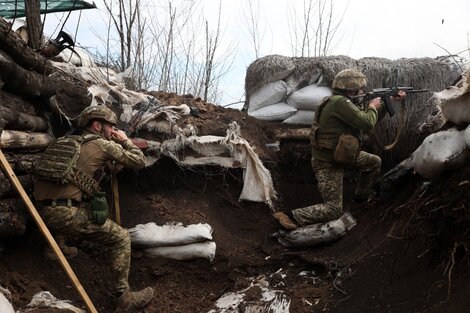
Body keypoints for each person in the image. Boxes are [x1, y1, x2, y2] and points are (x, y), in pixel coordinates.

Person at [33, 105, 154, 312]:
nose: (112, 131)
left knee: (77, 200)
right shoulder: (102, 145)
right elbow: (139, 160)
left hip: (41, 214)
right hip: (66, 216)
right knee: (122, 237)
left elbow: (84, 175)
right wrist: (124, 140)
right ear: (97, 125)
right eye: (110, 127)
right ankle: (124, 297)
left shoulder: (66, 142)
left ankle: (56, 246)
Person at [273, 69, 406, 230]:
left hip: (343, 155)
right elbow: (366, 122)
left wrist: (386, 103)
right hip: (328, 162)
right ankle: (291, 215)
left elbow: (366, 120)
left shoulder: (344, 103)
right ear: (351, 88)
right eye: (360, 88)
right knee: (333, 210)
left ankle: (360, 200)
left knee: (373, 162)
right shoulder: (339, 103)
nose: (363, 91)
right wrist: (372, 106)